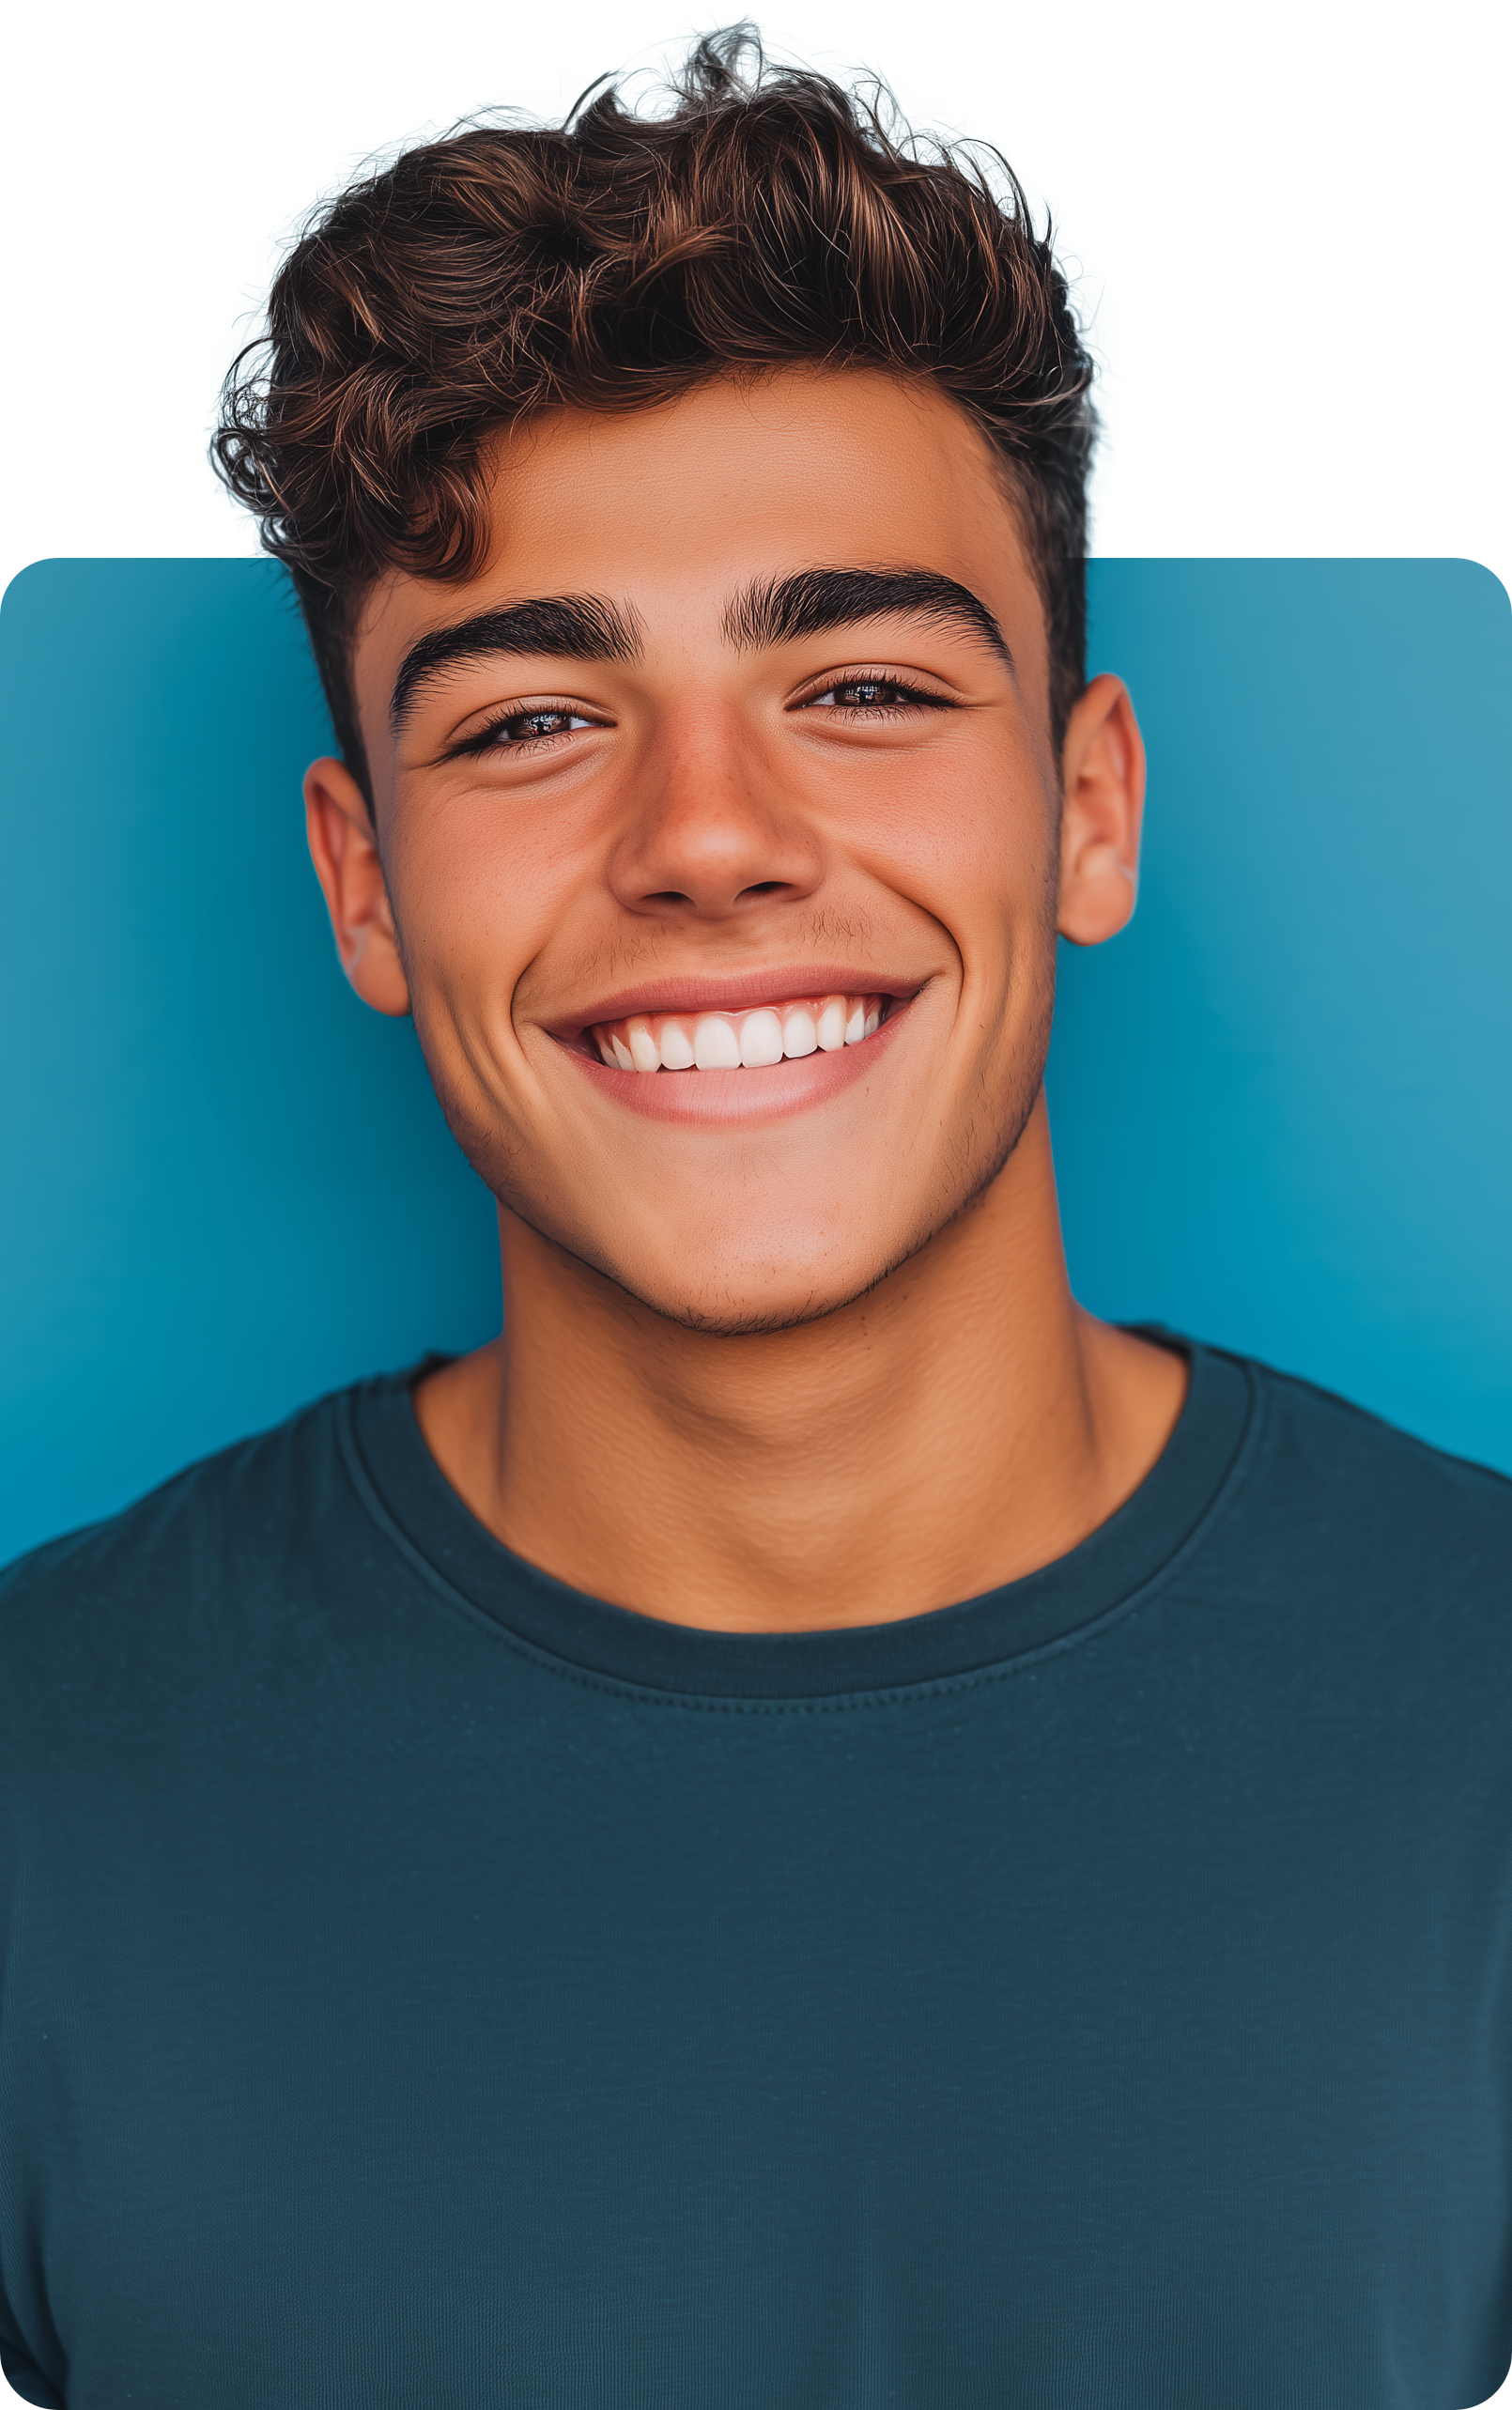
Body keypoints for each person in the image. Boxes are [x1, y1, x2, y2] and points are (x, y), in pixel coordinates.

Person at [2, 27, 1508, 2409]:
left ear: (1085, 810)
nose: (710, 834)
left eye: (869, 680)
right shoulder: (35, 1794)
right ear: (362, 883)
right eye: (527, 721)